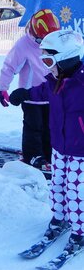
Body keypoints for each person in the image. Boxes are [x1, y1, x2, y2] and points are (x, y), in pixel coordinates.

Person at [10, 29, 84, 253]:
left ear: (66, 58)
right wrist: (24, 93)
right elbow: (42, 91)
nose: (45, 64)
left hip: (81, 150)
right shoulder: (55, 80)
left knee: (76, 190)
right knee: (58, 186)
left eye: (49, 59)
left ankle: (80, 231)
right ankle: (60, 218)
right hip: (59, 147)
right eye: (43, 58)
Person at [0, 9, 60, 170]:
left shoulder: (55, 43)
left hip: (52, 95)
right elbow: (9, 66)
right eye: (41, 39)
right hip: (30, 97)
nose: (44, 43)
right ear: (33, 32)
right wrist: (2, 88)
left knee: (50, 127)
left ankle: (48, 153)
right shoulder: (23, 45)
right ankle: (33, 155)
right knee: (34, 127)